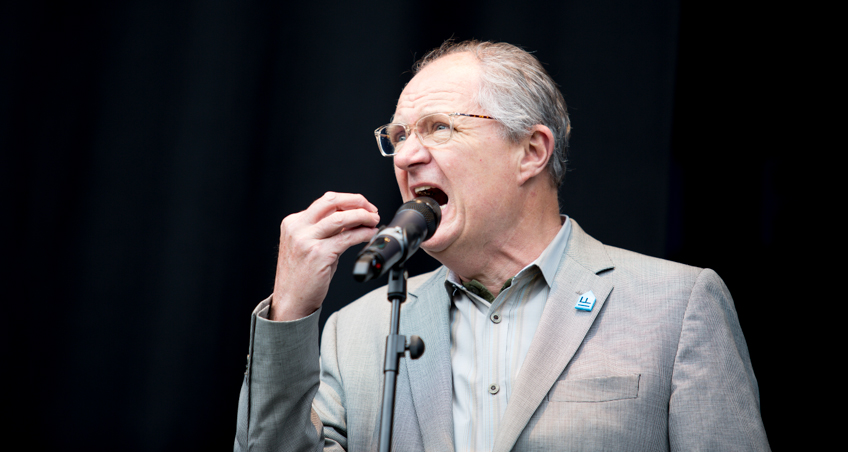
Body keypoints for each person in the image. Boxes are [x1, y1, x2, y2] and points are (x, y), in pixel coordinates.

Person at [234, 40, 769, 451]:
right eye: (398, 137)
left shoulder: (676, 305)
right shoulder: (359, 332)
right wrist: (291, 312)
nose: (405, 157)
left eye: (438, 127)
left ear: (531, 152)